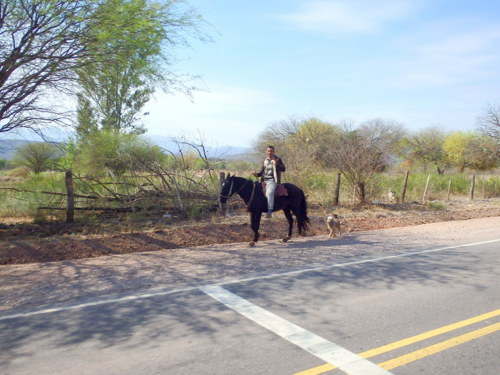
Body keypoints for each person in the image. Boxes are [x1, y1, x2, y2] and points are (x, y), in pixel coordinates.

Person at [252, 145, 286, 218]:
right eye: (268, 151)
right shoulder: (265, 160)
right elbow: (261, 173)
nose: (269, 152)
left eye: (271, 151)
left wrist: (276, 164)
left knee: (269, 192)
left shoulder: (278, 159)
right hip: (264, 180)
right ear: (266, 152)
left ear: (274, 152)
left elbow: (283, 169)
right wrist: (256, 174)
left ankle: (269, 211)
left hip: (272, 181)